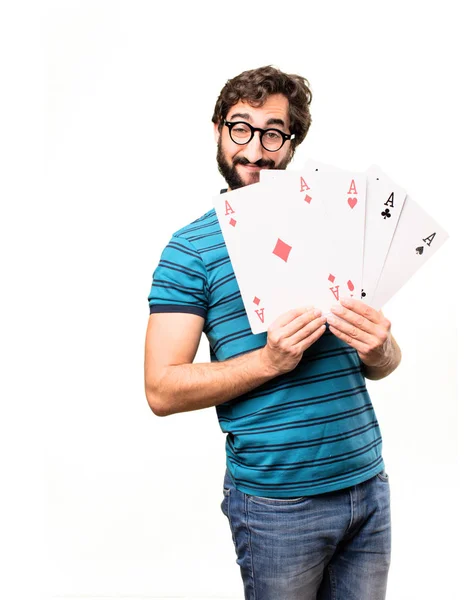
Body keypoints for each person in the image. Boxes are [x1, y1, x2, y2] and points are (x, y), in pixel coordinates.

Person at [144, 65, 402, 600]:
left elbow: (382, 362)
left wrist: (383, 348)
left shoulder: (335, 221)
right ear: (217, 129)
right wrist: (269, 360)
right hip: (277, 507)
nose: (255, 150)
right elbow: (161, 389)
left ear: (292, 142)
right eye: (241, 128)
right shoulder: (190, 251)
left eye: (272, 133)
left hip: (367, 485)